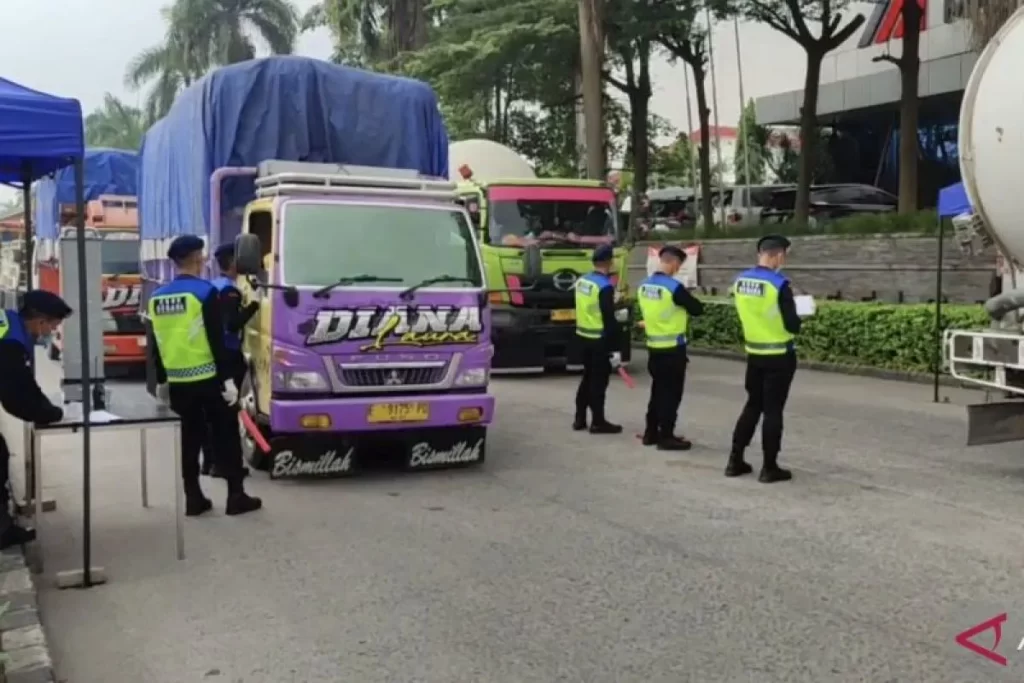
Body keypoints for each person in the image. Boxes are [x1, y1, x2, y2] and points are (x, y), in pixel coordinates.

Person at [147, 235, 262, 516]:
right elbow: (216, 339)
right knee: (226, 436)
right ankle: (235, 496)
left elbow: (155, 342)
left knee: (190, 439)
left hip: (178, 381)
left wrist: (161, 379)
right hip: (208, 378)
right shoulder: (205, 292)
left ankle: (193, 498)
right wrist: (227, 381)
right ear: (198, 259)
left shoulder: (157, 297)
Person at [726, 234, 802, 483]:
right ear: (778, 255)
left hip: (754, 353)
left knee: (752, 405)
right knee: (773, 411)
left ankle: (735, 460)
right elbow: (792, 325)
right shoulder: (779, 284)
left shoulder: (741, 280)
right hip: (779, 355)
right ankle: (769, 467)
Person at [0, 290, 72, 548]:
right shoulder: (11, 341)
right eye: (52, 325)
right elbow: (16, 398)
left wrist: (45, 406)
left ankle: (3, 528)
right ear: (40, 320)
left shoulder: (10, 325)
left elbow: (25, 386)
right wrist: (52, 414)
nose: (51, 331)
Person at [637, 246, 705, 451]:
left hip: (653, 347)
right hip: (673, 349)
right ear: (674, 263)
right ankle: (666, 436)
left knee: (657, 391)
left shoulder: (643, 285)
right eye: (679, 266)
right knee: (671, 395)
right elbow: (697, 309)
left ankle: (650, 433)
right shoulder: (674, 287)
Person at [201, 244, 259, 477]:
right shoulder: (229, 291)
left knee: (212, 414)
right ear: (233, 262)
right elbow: (232, 324)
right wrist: (254, 305)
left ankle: (210, 462)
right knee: (227, 414)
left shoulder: (213, 286)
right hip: (228, 355)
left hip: (213, 354)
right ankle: (225, 465)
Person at [572, 244, 622, 434]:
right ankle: (598, 421)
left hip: (583, 336)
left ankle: (579, 419)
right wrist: (615, 348)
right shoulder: (605, 286)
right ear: (609, 262)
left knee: (587, 378)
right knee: (599, 383)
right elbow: (609, 317)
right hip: (599, 339)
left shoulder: (582, 281)